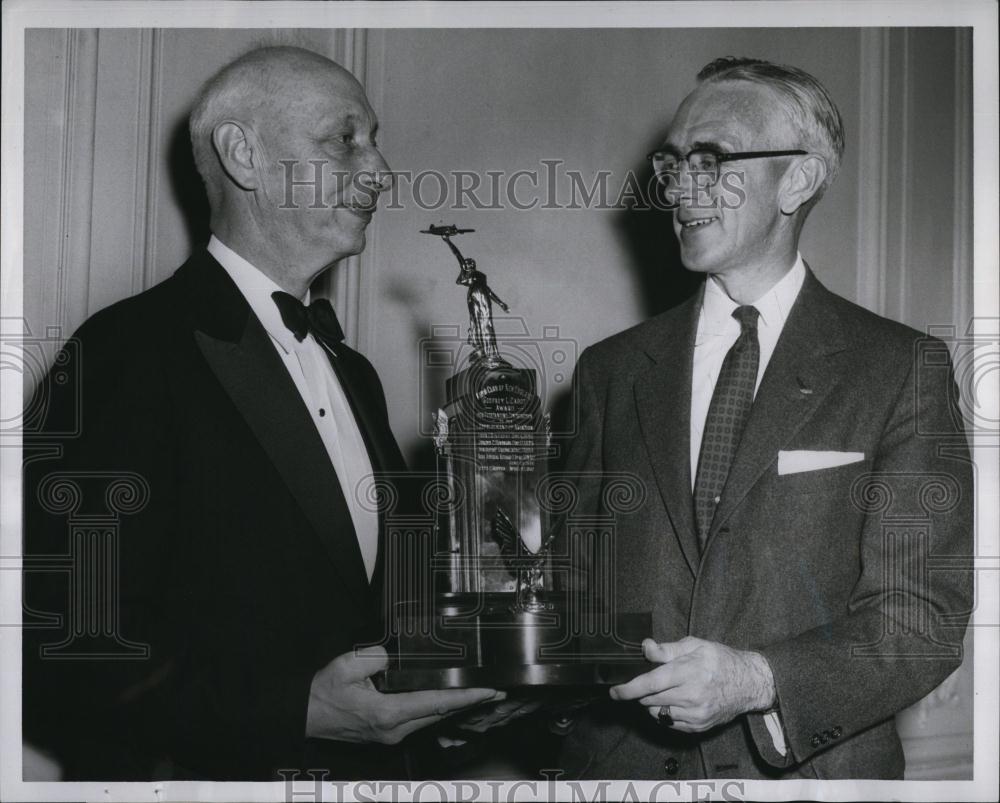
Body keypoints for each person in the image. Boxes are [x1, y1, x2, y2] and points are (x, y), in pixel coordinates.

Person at [22, 46, 500, 782]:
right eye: (345, 140)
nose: (380, 171)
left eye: (374, 140)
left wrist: (447, 707)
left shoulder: (356, 375)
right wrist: (293, 710)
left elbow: (378, 616)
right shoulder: (122, 353)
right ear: (243, 155)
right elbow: (63, 644)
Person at [555, 57, 973, 780]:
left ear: (800, 178)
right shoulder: (609, 370)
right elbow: (568, 582)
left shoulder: (901, 368)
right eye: (674, 163)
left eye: (711, 159)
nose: (682, 188)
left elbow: (920, 618)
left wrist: (758, 678)